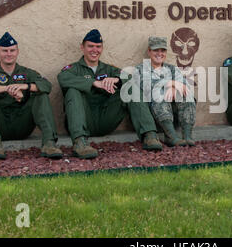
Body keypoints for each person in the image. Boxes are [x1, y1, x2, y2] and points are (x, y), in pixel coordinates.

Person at [57, 29, 162, 159]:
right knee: (72, 91)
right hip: (83, 120)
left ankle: (149, 135)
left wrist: (117, 80)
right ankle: (79, 143)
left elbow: (132, 77)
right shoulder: (73, 69)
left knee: (130, 88)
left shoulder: (108, 69)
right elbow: (62, 78)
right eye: (90, 46)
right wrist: (94, 83)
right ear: (82, 47)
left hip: (106, 118)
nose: (94, 50)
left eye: (98, 47)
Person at [0, 32, 62, 161]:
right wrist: (8, 88)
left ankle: (49, 144)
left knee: (41, 95)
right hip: (0, 125)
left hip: (22, 124)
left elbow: (46, 86)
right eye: (5, 50)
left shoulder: (27, 73)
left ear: (17, 51)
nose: (9, 54)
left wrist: (25, 86)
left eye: (12, 50)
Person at [135, 37, 196, 147]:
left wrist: (174, 88)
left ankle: (187, 136)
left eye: (162, 50)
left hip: (173, 115)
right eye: (155, 50)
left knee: (186, 95)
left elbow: (184, 86)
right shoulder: (141, 69)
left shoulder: (172, 69)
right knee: (158, 95)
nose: (159, 53)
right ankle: (171, 136)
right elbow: (149, 86)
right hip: (154, 117)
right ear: (149, 51)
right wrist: (171, 83)